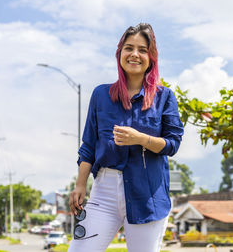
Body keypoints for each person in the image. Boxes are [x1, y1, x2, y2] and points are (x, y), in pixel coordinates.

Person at [68, 23, 184, 252]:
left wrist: (141, 138)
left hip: (147, 196)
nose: (135, 54)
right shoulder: (101, 94)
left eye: (142, 49)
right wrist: (80, 184)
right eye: (129, 48)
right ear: (119, 53)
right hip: (104, 192)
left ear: (151, 57)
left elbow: (173, 144)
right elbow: (89, 145)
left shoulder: (164, 97)